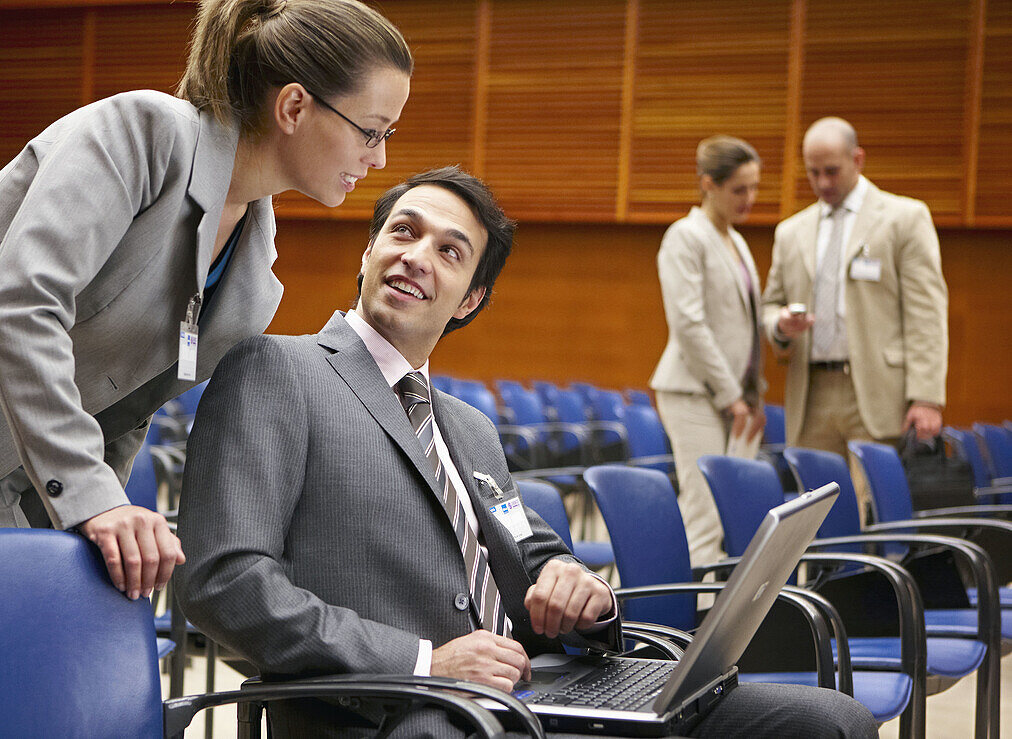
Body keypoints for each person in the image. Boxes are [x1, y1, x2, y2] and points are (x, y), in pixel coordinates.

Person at [175, 166, 877, 738]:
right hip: (398, 710)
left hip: (538, 694)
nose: (417, 255)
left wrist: (580, 585)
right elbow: (223, 583)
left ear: (470, 297)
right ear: (368, 252)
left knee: (827, 721)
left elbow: (531, 551)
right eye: (403, 231)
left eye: (449, 251)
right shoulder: (277, 371)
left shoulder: (470, 427)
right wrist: (427, 660)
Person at [0, 0, 412, 603]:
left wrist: (107, 514)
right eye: (370, 130)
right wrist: (92, 498)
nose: (379, 157)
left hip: (14, 468)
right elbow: (21, 306)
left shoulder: (254, 280)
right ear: (295, 107)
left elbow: (131, 400)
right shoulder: (141, 131)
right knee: (7, 656)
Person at [761, 117, 948, 514]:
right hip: (811, 392)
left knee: (868, 511)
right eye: (814, 172)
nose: (823, 182)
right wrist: (780, 325)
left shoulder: (903, 218)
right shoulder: (791, 231)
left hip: (877, 391)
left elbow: (926, 312)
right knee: (812, 515)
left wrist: (927, 397)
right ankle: (818, 579)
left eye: (832, 171)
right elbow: (769, 305)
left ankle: (868, 577)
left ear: (858, 159)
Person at [650, 136, 766, 568]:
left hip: (733, 397)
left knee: (728, 515)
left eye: (755, 188)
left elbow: (745, 328)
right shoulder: (686, 236)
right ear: (708, 184)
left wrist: (752, 394)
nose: (749, 199)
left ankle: (718, 616)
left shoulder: (736, 241)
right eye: (739, 189)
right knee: (704, 513)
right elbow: (689, 324)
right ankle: (690, 626)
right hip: (696, 392)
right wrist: (731, 394)